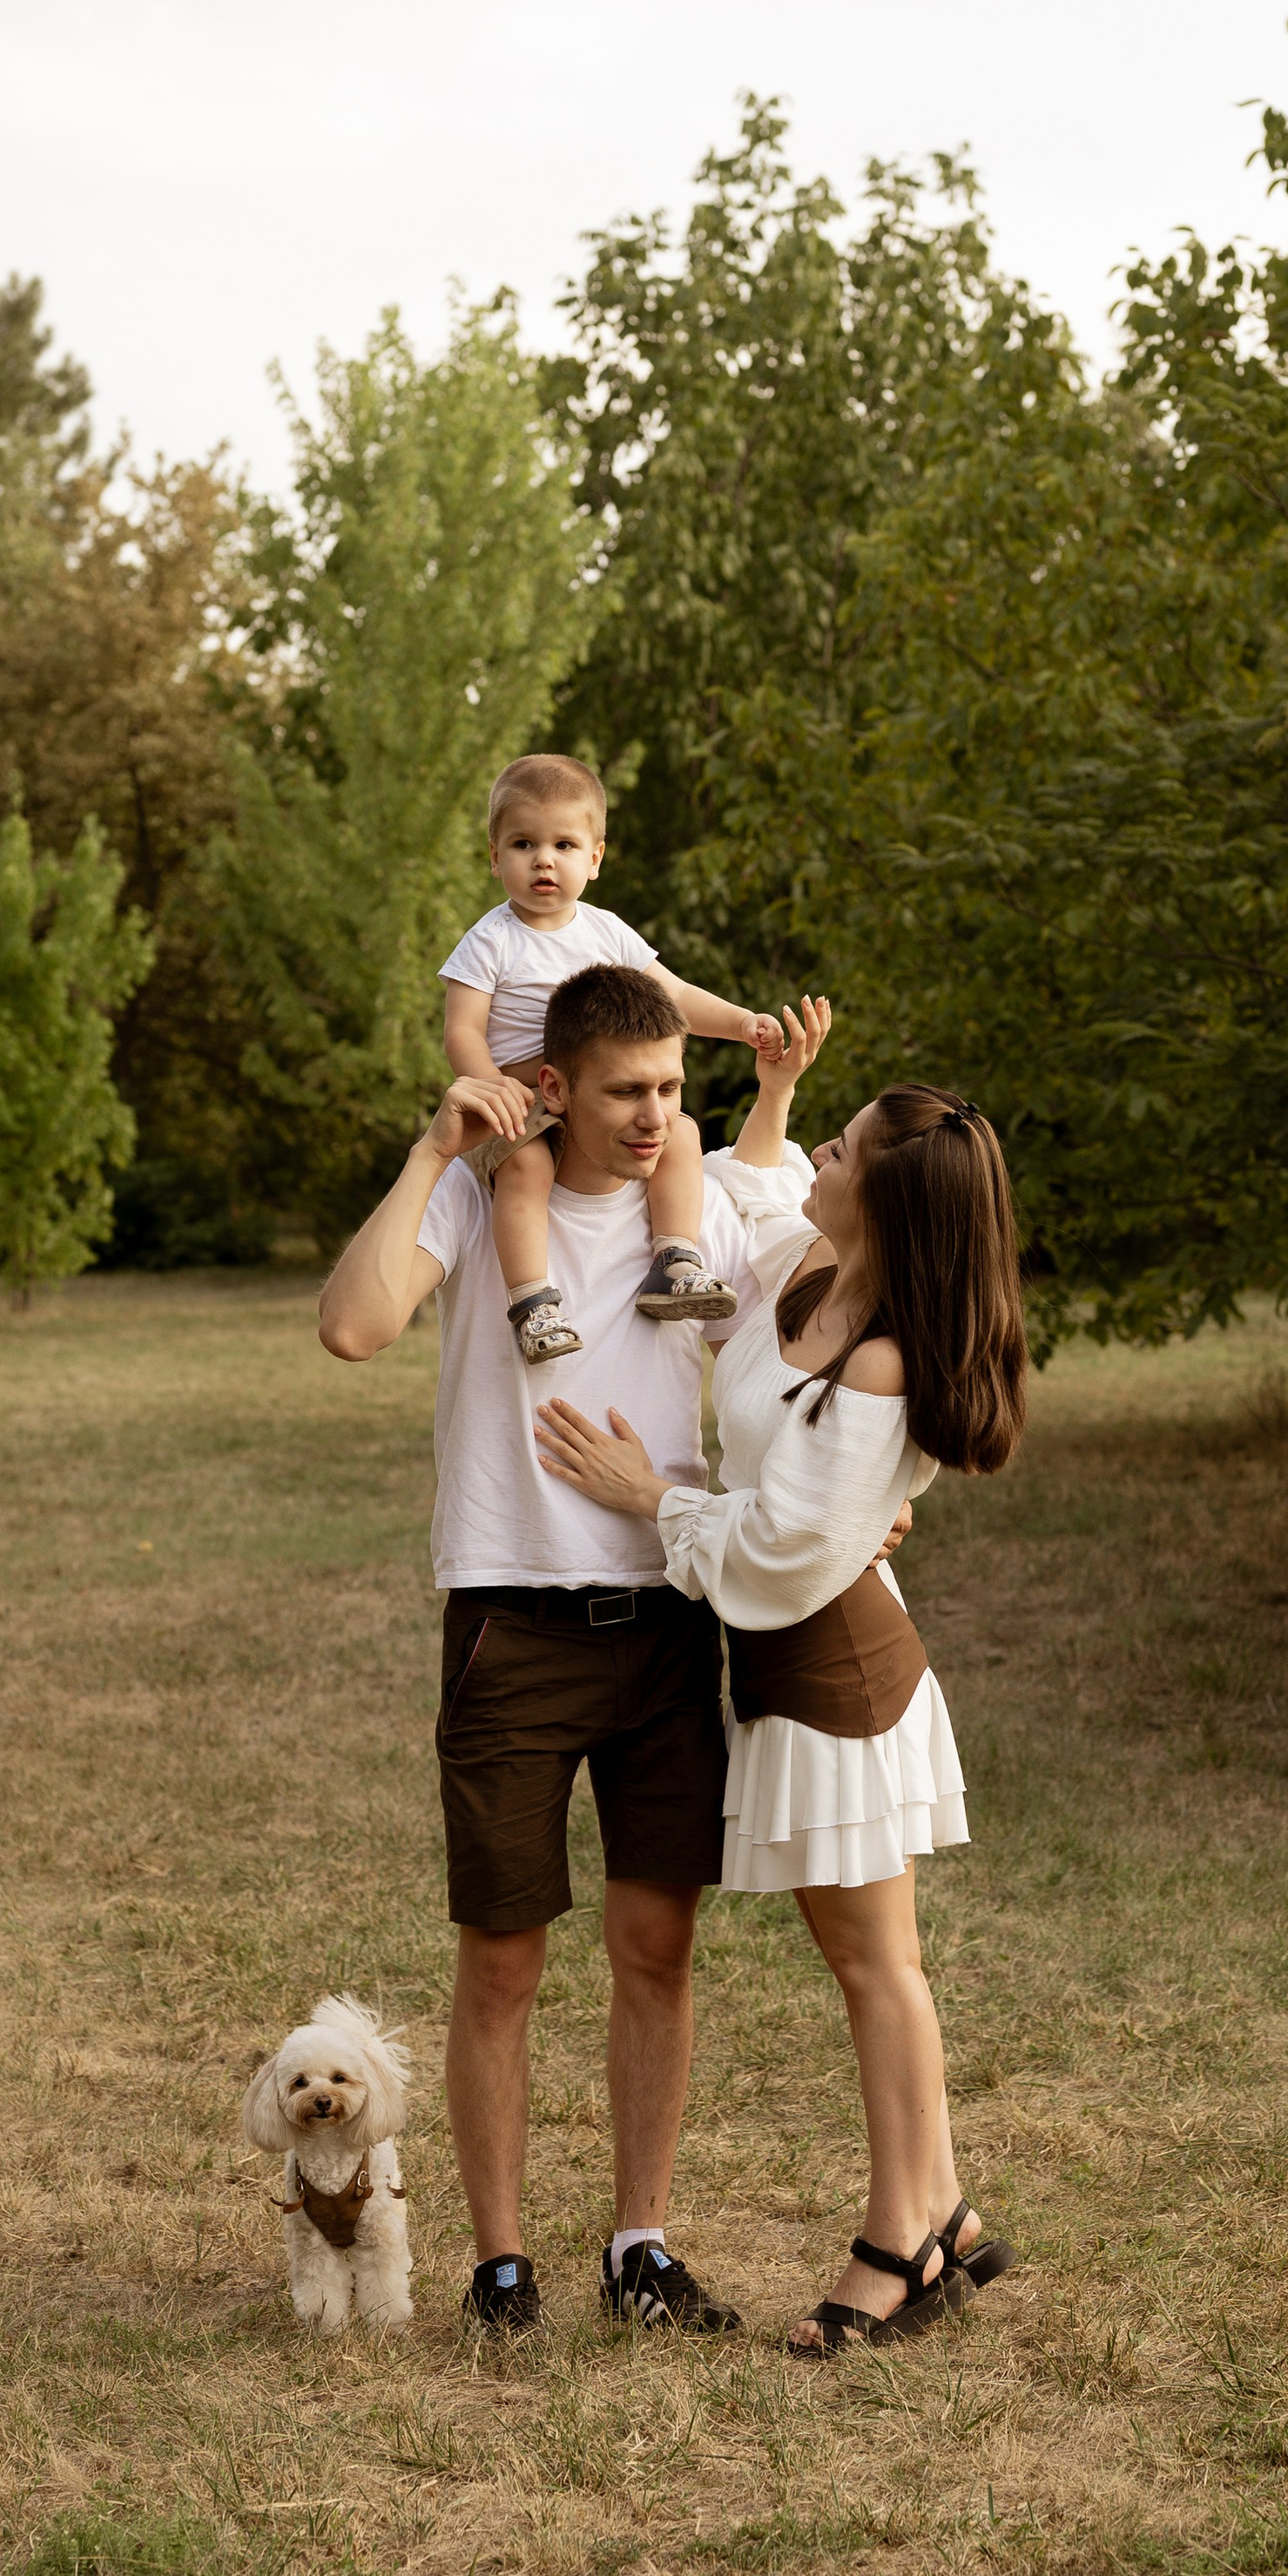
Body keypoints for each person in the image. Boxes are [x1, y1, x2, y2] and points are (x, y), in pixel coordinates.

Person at [318, 959, 816, 2337]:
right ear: (556, 1087)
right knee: (506, 1957)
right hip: (512, 1622)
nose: (657, 1116)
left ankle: (639, 2246)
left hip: (664, 1620)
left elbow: (814, 1337)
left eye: (671, 1089)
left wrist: (869, 1491)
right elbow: (353, 1327)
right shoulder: (484, 1200)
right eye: (628, 1092)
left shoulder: (700, 1207)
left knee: (657, 1945)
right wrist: (435, 1149)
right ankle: (500, 2267)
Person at [534, 1004, 1031, 2356]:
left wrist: (652, 1497)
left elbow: (778, 1556)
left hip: (835, 1679)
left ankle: (903, 2242)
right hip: (798, 1674)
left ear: (881, 1195)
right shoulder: (816, 1272)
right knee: (876, 1963)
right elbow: (744, 1203)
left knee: (878, 1970)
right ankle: (946, 2218)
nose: (822, 1142)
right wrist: (771, 1093)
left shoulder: (880, 1360)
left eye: (846, 1140)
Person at [439, 754, 782, 1364]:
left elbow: (672, 995)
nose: (544, 859)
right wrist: (492, 1088)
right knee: (524, 1170)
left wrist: (739, 1023)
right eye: (523, 843)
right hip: (526, 1103)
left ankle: (675, 1259)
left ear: (594, 859)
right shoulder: (490, 940)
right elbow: (462, 1031)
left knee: (680, 1133)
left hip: (604, 1103)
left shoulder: (607, 932)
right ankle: (534, 1302)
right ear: (495, 857)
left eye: (564, 844)